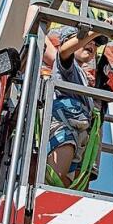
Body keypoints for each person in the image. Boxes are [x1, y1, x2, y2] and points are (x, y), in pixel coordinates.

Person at [43, 26, 97, 189]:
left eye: (95, 44)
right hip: (64, 127)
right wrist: (96, 31)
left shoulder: (81, 75)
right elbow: (64, 53)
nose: (92, 45)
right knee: (55, 180)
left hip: (79, 133)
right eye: (87, 40)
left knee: (68, 183)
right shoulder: (65, 65)